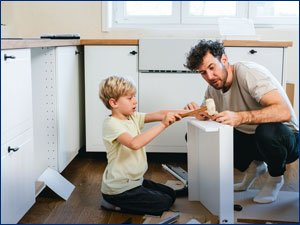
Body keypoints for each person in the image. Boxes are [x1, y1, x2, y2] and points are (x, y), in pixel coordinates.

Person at [184, 40, 299, 204]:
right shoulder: (213, 88)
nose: (209, 77)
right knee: (197, 135)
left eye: (212, 68)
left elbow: (284, 112)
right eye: (203, 73)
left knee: (267, 132)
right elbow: (207, 113)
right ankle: (255, 167)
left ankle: (275, 178)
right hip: (251, 138)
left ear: (224, 60)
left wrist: (239, 117)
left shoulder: (248, 73)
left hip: (287, 138)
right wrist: (198, 113)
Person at [99, 76, 187, 216]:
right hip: (119, 189)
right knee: (163, 203)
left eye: (134, 96)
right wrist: (164, 124)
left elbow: (160, 113)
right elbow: (134, 143)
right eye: (129, 98)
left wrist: (194, 113)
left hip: (135, 181)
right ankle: (111, 203)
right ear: (114, 102)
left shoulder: (132, 117)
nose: (135, 101)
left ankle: (138, 195)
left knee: (171, 194)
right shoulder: (111, 124)